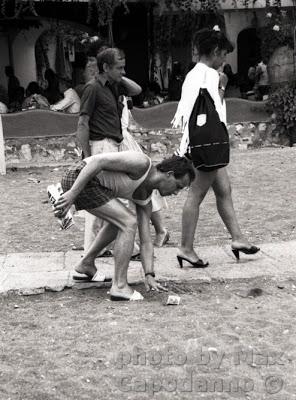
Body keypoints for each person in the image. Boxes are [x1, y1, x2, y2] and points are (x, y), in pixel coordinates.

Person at [54, 151, 195, 300]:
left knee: (120, 221)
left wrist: (149, 274)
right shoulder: (141, 163)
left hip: (91, 185)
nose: (176, 193)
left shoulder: (144, 199)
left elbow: (146, 242)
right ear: (169, 174)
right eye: (178, 186)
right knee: (128, 222)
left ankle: (86, 263)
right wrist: (72, 193)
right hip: (78, 177)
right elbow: (97, 162)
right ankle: (119, 286)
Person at [172, 28, 260, 267]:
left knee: (224, 189)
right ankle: (186, 248)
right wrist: (222, 85)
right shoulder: (209, 75)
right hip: (208, 146)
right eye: (222, 54)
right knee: (197, 193)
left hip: (198, 143)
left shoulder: (193, 75)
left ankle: (238, 238)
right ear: (214, 52)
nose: (224, 60)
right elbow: (217, 110)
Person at [76, 47, 142, 253]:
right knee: (107, 198)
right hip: (101, 146)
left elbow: (136, 90)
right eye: (119, 68)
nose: (123, 72)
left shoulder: (113, 87)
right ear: (105, 67)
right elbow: (82, 124)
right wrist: (87, 157)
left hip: (112, 146)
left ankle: (102, 246)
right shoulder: (93, 88)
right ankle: (107, 247)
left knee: (105, 198)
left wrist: (118, 77)